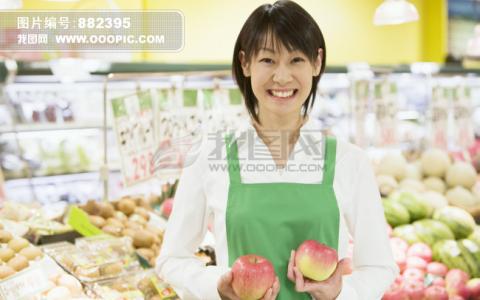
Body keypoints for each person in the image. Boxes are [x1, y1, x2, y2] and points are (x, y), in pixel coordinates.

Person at [156, 1, 399, 299]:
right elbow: (171, 259)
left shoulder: (350, 161)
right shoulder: (210, 156)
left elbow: (379, 266)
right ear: (246, 63)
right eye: (268, 60)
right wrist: (217, 287)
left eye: (296, 60)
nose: (282, 77)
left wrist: (341, 293)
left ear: (317, 62)